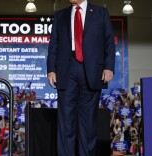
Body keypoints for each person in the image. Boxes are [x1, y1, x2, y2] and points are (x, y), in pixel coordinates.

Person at [47, 0, 115, 155]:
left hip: (92, 71)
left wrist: (109, 67)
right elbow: (53, 45)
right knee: (65, 124)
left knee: (89, 124)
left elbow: (109, 42)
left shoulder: (100, 13)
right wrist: (51, 70)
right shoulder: (60, 15)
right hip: (66, 70)